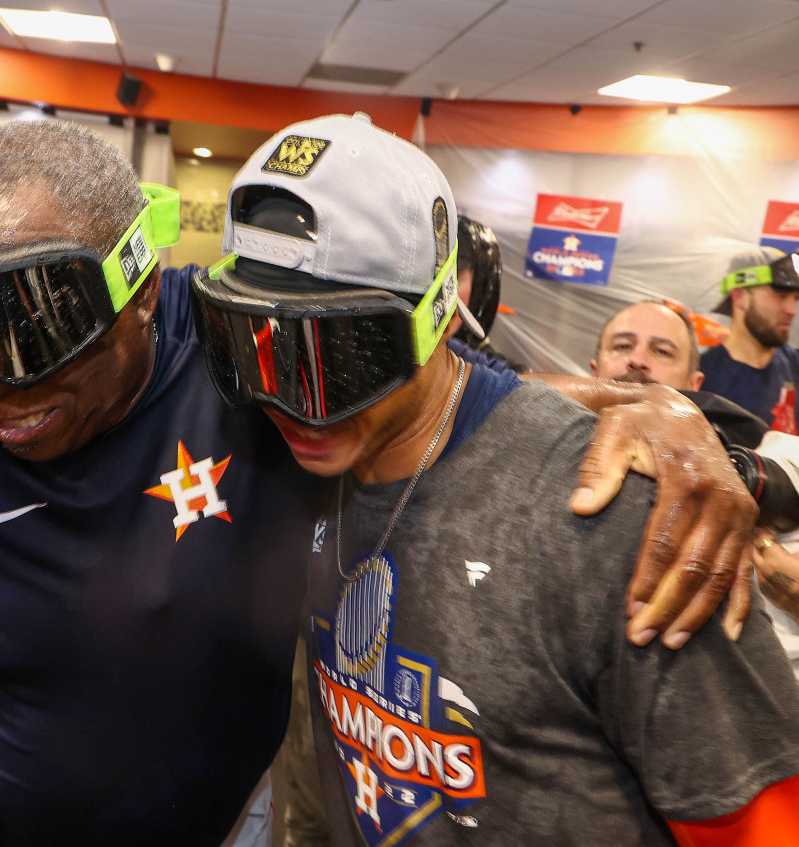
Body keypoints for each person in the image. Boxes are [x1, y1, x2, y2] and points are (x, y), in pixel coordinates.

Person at [0, 119, 755, 847]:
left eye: (32, 330)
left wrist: (657, 415)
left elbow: (421, 385)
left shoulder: (243, 363)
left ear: (143, 292)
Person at [191, 112, 799, 844]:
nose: (290, 395)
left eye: (342, 354)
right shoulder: (310, 457)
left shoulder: (615, 520)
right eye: (259, 341)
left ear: (440, 315)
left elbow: (761, 825)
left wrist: (671, 415)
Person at [592, 299, 799, 674]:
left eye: (662, 351)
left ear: (694, 383)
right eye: (623, 346)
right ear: (592, 371)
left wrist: (733, 474)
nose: (638, 360)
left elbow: (787, 473)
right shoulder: (542, 442)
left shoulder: (759, 445)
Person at [700, 246, 799, 433]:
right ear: (739, 297)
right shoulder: (701, 377)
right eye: (781, 296)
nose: (792, 310)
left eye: (795, 298)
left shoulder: (795, 365)